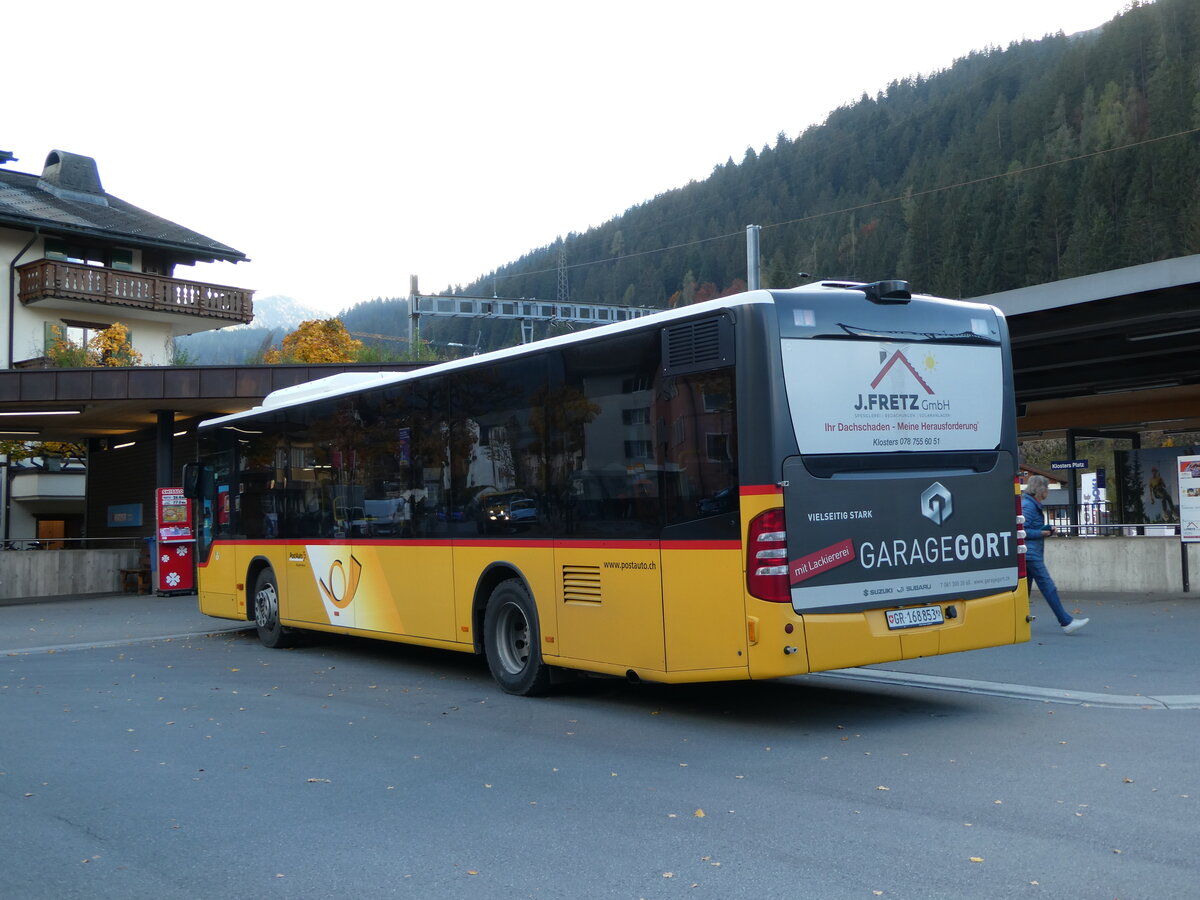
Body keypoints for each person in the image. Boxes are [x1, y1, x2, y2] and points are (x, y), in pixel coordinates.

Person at [1022, 475, 1088, 634]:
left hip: (1028, 553)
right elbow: (1022, 531)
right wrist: (1042, 532)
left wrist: (1045, 530)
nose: (1048, 492)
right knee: (1048, 586)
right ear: (1041, 490)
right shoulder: (1029, 506)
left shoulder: (1029, 504)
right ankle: (1066, 622)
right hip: (1031, 554)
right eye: (1047, 488)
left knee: (1025, 591)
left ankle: (1016, 623)